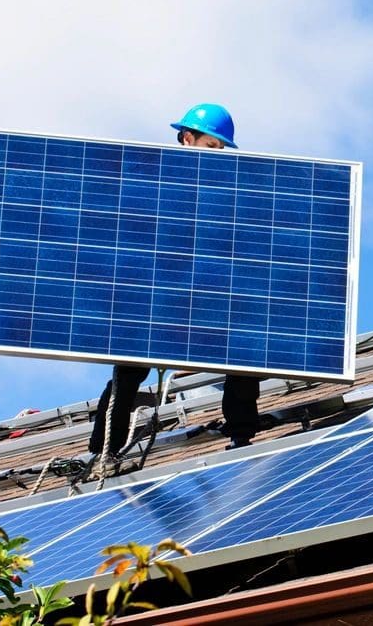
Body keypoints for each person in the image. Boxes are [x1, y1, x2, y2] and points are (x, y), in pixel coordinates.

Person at [88, 104, 261, 457]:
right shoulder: (152, 179)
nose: (218, 155)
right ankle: (104, 448)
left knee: (244, 350)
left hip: (206, 289)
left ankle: (241, 434)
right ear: (187, 138)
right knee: (131, 366)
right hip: (157, 288)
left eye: (221, 149)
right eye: (212, 146)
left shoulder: (229, 191)